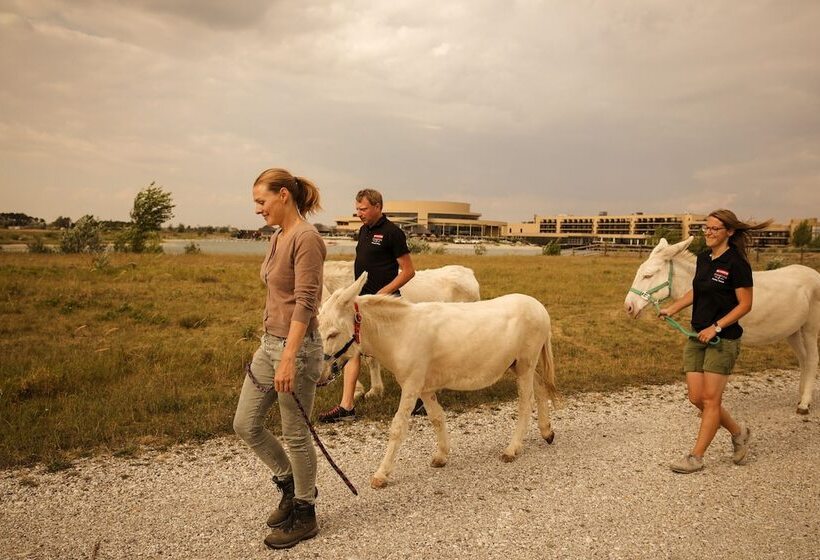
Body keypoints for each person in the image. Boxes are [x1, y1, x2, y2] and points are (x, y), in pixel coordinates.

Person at [233, 168, 326, 549]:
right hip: (269, 344)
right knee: (245, 423)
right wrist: (272, 347)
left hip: (296, 349)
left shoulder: (306, 238)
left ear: (283, 195)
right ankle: (291, 484)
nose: (258, 209)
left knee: (295, 434)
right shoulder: (277, 236)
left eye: (262, 201)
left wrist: (288, 357)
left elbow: (305, 302)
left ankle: (305, 513)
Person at [659, 209, 771, 474]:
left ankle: (696, 457)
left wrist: (716, 326)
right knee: (696, 397)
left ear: (729, 232)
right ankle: (739, 432)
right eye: (706, 228)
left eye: (714, 229)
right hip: (697, 335)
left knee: (711, 400)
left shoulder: (737, 263)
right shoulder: (704, 258)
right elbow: (698, 290)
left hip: (723, 339)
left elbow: (745, 304)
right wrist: (673, 307)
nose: (708, 233)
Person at [318, 188, 416, 422]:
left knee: (398, 356)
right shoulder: (363, 231)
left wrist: (384, 293)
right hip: (362, 304)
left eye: (363, 209)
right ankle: (347, 407)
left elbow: (409, 271)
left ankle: (419, 398)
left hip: (385, 305)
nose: (359, 213)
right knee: (351, 349)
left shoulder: (393, 233)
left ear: (378, 207)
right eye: (357, 209)